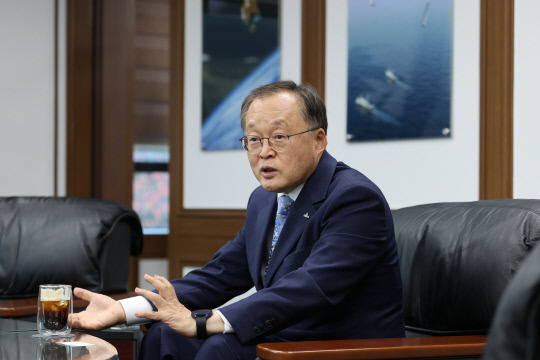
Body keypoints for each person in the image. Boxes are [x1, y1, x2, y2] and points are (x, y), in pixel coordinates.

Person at [72, 80, 405, 359]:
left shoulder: (354, 198)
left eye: (279, 137)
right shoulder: (265, 200)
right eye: (254, 140)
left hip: (341, 347)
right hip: (284, 337)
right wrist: (127, 308)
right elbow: (219, 276)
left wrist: (203, 322)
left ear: (319, 140)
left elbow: (309, 288)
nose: (264, 152)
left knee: (220, 346)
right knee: (163, 335)